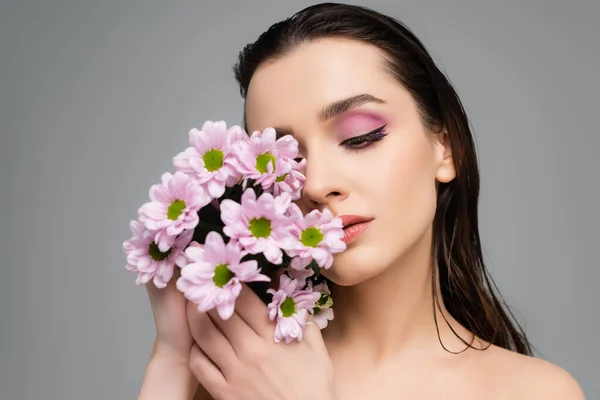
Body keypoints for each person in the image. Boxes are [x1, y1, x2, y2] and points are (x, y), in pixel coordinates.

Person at [138, 3, 585, 399]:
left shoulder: (533, 392)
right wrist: (172, 360)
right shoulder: (232, 374)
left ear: (445, 149)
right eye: (287, 159)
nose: (316, 183)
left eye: (360, 137)